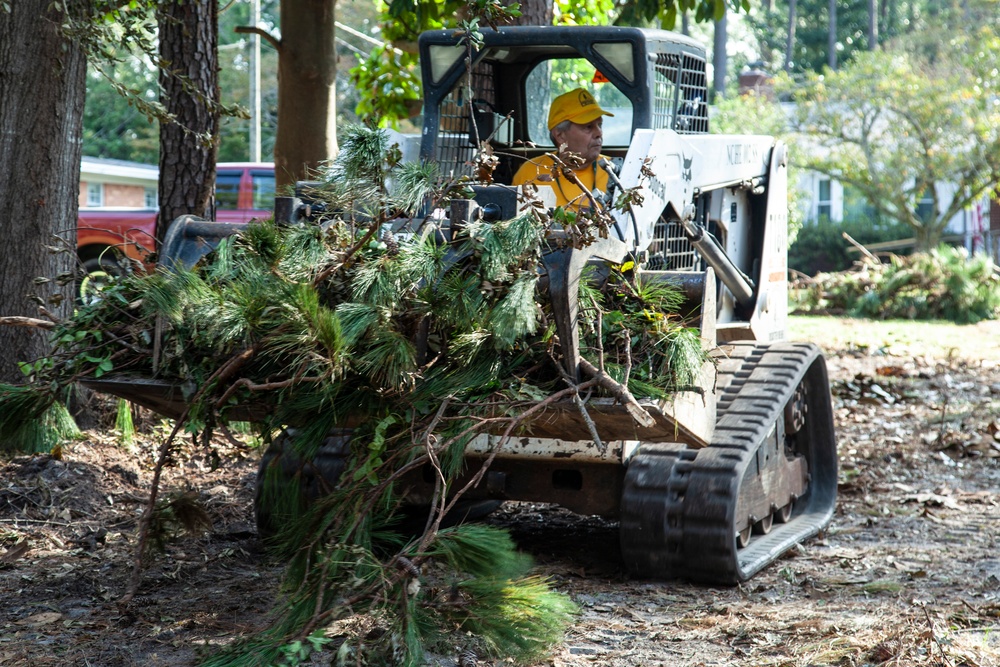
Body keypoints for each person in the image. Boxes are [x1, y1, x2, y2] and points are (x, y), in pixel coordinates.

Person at [512, 88, 614, 209]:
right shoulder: (530, 172)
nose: (599, 133)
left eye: (600, 125)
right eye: (588, 127)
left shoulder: (614, 171)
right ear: (560, 135)